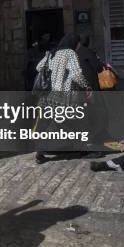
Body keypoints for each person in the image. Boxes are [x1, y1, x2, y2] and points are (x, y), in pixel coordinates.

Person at [34, 33, 90, 164]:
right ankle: (80, 148)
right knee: (74, 121)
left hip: (48, 96)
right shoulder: (70, 53)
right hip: (64, 97)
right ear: (73, 43)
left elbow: (38, 67)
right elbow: (76, 74)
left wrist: (53, 72)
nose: (78, 47)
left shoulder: (52, 53)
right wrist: (86, 86)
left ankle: (40, 151)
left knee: (52, 123)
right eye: (77, 44)